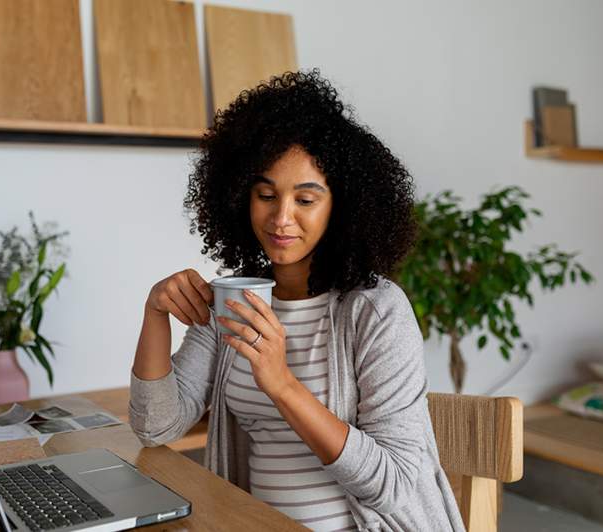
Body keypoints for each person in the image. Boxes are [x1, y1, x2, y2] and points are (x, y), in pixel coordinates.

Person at [128, 70, 464, 532]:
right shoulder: (234, 301)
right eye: (266, 195)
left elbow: (398, 486)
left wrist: (282, 385)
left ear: (340, 207)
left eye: (305, 200)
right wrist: (155, 313)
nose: (280, 218)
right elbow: (155, 427)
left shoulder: (376, 311)